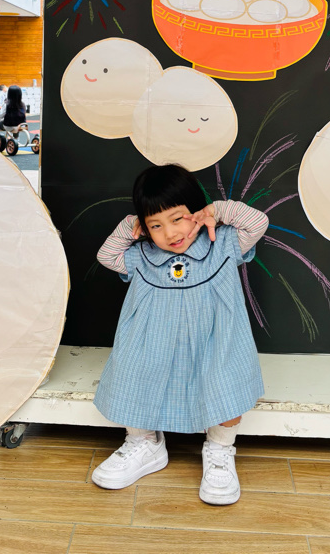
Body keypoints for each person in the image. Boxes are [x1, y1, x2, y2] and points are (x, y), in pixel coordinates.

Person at [91, 163, 268, 505]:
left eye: (177, 218)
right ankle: (144, 442)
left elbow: (258, 222)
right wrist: (131, 227)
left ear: (196, 212)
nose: (170, 233)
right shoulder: (143, 255)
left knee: (224, 382)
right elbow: (106, 256)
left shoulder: (224, 243)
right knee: (133, 374)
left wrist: (217, 211)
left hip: (214, 343)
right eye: (156, 225)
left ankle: (220, 449)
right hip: (152, 343)